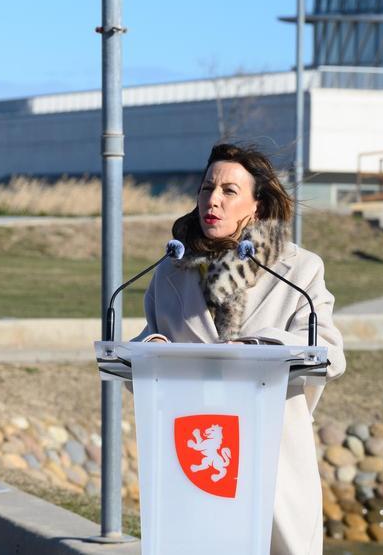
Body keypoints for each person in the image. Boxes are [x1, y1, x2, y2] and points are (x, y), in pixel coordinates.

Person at [133, 143, 346, 555]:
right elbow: (150, 339)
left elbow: (330, 354)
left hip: (270, 466)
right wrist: (150, 349)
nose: (212, 199)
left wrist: (257, 347)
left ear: (258, 206)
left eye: (229, 191)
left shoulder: (299, 270)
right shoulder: (170, 271)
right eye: (206, 187)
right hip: (196, 467)